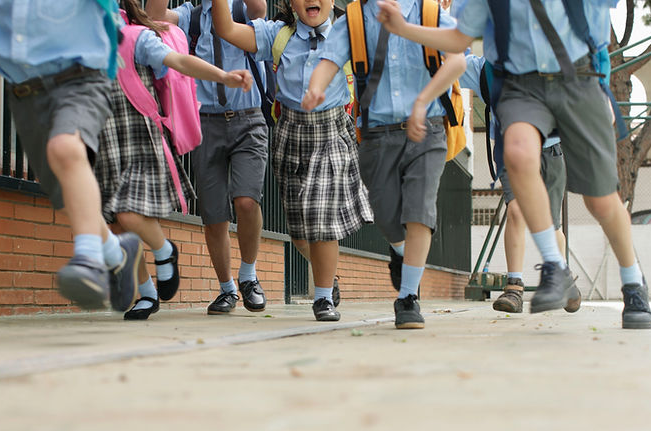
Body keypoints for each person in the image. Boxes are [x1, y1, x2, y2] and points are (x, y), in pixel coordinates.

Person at [376, 0, 651, 329]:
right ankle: (553, 267)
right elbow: (459, 39)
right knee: (518, 153)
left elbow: (600, 24)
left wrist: (603, 84)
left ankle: (633, 282)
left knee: (601, 202)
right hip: (522, 86)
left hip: (578, 77)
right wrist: (404, 28)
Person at [302, 0, 466, 329]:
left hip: (427, 128)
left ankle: (408, 298)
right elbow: (329, 60)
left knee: (419, 210)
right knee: (386, 214)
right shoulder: (355, 17)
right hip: (376, 135)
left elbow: (457, 59)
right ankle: (401, 251)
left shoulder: (428, 12)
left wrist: (423, 100)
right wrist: (316, 88)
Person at [210, 0, 373, 321]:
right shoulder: (277, 35)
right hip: (290, 133)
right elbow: (225, 29)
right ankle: (328, 275)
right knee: (300, 233)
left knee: (322, 220)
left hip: (331, 131)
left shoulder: (349, 34)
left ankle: (323, 298)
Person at [97, 0, 253, 320]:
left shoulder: (136, 37)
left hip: (138, 140)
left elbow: (180, 61)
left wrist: (223, 76)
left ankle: (165, 250)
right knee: (116, 225)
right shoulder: (79, 50)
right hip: (103, 144)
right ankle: (147, 293)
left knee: (128, 214)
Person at [0, 0, 142, 312]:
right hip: (26, 91)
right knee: (69, 192)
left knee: (65, 149)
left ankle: (89, 262)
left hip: (81, 76)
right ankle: (117, 254)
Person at [146, 0, 270, 316]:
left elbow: (260, 8)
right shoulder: (191, 14)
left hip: (248, 118)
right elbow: (155, 17)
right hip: (205, 123)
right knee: (214, 214)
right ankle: (227, 289)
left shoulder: (242, 9)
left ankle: (248, 275)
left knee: (247, 201)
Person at [460, 53, 580, 314]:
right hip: (511, 150)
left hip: (550, 150)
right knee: (516, 211)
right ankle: (514, 287)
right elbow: (444, 66)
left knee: (550, 224)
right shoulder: (484, 68)